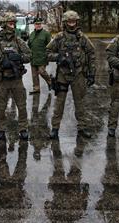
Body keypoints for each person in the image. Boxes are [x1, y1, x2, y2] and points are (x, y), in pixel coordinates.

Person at [47, 10, 96, 139]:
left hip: (78, 74)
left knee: (80, 103)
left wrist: (92, 73)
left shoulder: (82, 37)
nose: (72, 24)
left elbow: (91, 53)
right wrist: (59, 57)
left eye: (74, 21)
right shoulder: (59, 37)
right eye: (69, 21)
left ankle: (82, 128)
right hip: (62, 75)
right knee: (59, 104)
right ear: (65, 22)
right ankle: (55, 129)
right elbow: (47, 53)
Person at [0, 12, 31, 141]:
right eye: (10, 23)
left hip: (17, 80)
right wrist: (1, 60)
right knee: (1, 107)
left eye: (14, 23)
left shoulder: (18, 40)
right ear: (4, 25)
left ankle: (23, 129)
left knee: (21, 106)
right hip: (2, 80)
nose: (13, 26)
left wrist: (19, 57)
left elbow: (29, 55)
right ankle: (1, 129)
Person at [28, 17, 52, 95]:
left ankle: (50, 81)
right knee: (34, 75)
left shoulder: (46, 34)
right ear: (34, 25)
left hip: (42, 57)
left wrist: (49, 55)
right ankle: (36, 88)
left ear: (41, 24)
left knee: (42, 72)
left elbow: (51, 45)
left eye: (39, 24)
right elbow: (28, 45)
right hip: (33, 57)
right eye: (36, 24)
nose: (38, 25)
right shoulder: (32, 34)